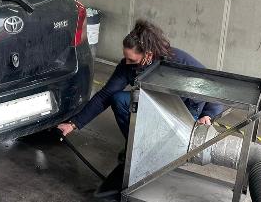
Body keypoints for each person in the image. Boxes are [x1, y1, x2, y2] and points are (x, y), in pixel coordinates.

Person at [58, 19, 224, 145]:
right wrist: (74, 124)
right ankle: (135, 146)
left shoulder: (178, 61)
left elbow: (212, 87)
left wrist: (207, 115)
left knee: (168, 144)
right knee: (118, 99)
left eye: (132, 59)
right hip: (156, 105)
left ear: (149, 54)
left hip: (185, 110)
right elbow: (105, 96)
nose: (126, 63)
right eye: (126, 57)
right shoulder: (127, 65)